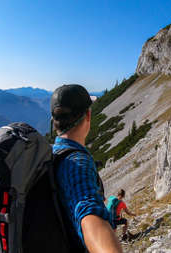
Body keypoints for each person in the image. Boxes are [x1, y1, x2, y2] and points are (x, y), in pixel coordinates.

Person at [51, 84, 122, 253]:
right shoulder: (76, 162)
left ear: (54, 122)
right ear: (88, 115)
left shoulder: (52, 154)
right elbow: (87, 211)